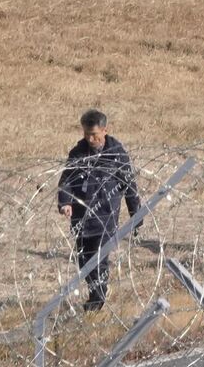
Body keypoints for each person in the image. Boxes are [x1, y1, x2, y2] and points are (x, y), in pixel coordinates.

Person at [57, 110, 142, 311]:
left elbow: (129, 186)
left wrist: (136, 215)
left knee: (99, 257)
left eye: (94, 134)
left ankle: (98, 298)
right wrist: (65, 203)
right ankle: (95, 290)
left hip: (106, 215)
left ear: (105, 130)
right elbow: (66, 182)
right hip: (80, 217)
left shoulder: (116, 154)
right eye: (86, 134)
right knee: (83, 259)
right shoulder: (77, 153)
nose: (90, 138)